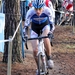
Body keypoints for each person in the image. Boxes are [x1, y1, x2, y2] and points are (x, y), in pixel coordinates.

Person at [23, 0, 55, 74]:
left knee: (45, 37)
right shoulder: (30, 12)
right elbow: (25, 26)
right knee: (35, 50)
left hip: (45, 25)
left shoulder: (47, 10)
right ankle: (38, 67)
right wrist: (25, 35)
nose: (37, 11)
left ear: (43, 7)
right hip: (34, 27)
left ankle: (49, 58)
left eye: (40, 9)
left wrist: (50, 32)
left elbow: (52, 24)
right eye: (36, 9)